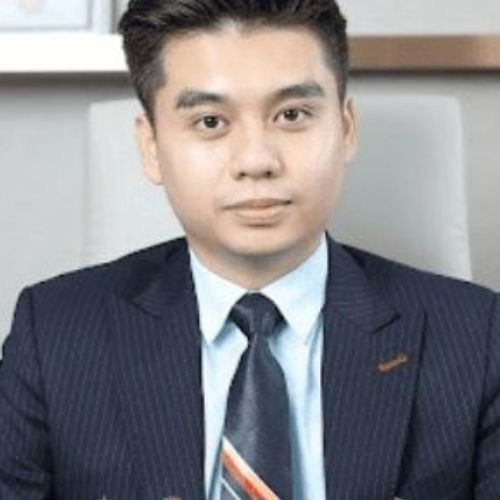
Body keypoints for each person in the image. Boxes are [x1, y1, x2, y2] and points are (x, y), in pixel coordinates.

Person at [1, 0, 499, 498]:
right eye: (210, 122)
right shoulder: (54, 335)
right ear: (151, 146)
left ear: (346, 127)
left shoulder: (477, 339)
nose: (257, 161)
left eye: (292, 114)